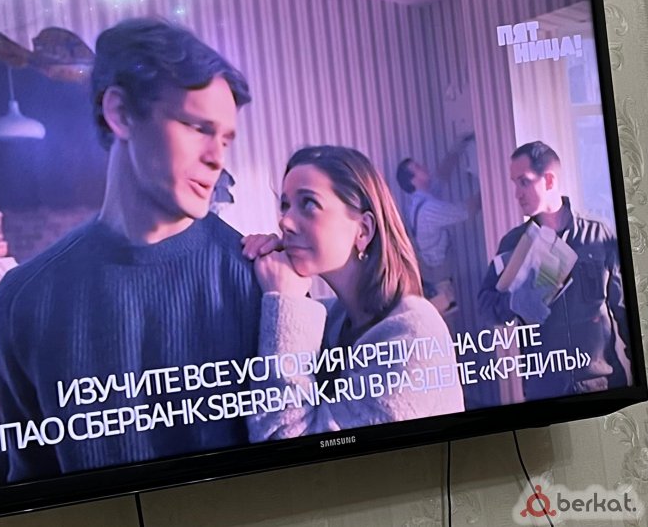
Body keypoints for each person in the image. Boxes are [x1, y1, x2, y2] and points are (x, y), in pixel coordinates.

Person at [0, 18, 263, 481]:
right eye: (197, 127)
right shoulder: (24, 300)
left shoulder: (259, 278)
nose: (217, 157)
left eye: (225, 138)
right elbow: (33, 482)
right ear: (120, 113)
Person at [242, 146, 464, 440]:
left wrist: (286, 304)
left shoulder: (413, 334)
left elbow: (295, 448)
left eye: (308, 203)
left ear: (363, 230)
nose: (285, 222)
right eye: (285, 205)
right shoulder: (336, 319)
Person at [478, 141, 632, 400]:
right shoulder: (513, 244)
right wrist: (513, 302)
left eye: (524, 182)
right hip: (546, 392)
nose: (517, 194)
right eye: (514, 183)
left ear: (549, 180)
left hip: (603, 385)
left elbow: (624, 309)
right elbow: (485, 306)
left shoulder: (598, 235)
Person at [396, 136, 480, 314]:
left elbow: (442, 175)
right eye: (418, 168)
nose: (424, 167)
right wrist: (489, 187)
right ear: (413, 181)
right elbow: (465, 211)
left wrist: (458, 147)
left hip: (434, 274)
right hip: (438, 280)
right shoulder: (427, 209)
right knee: (446, 321)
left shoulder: (419, 199)